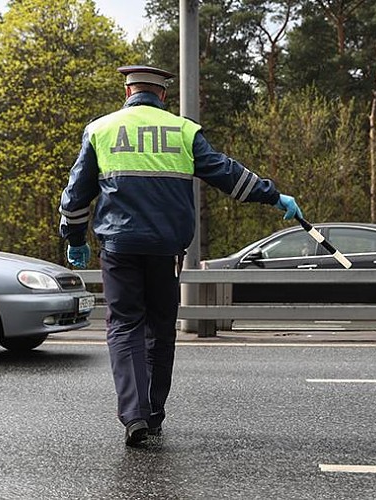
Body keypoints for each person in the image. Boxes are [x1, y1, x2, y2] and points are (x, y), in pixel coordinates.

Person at [58, 65, 303, 447]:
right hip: (166, 250)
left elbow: (76, 195)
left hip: (120, 249)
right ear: (163, 96)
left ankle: (134, 415)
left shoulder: (101, 129)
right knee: (160, 328)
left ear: (127, 93)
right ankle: (153, 414)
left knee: (124, 326)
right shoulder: (183, 131)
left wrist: (74, 237)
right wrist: (273, 195)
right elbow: (228, 175)